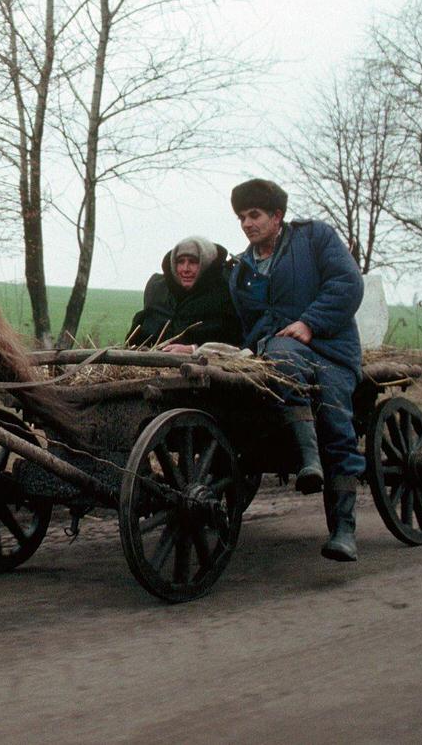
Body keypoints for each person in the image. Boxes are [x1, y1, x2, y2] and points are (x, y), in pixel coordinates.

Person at [226, 178, 366, 563]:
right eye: (241, 217)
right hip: (279, 352)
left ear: (277, 216)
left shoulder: (315, 238)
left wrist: (311, 322)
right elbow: (250, 324)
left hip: (332, 349)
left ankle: (343, 530)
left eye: (254, 215)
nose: (247, 224)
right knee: (281, 358)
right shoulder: (242, 269)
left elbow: (347, 283)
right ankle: (309, 461)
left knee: (338, 424)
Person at [129, 236, 242, 351]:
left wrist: (193, 349)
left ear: (206, 263)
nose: (185, 269)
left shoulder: (224, 292)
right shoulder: (158, 289)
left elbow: (233, 342)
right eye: (180, 262)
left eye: (193, 262)